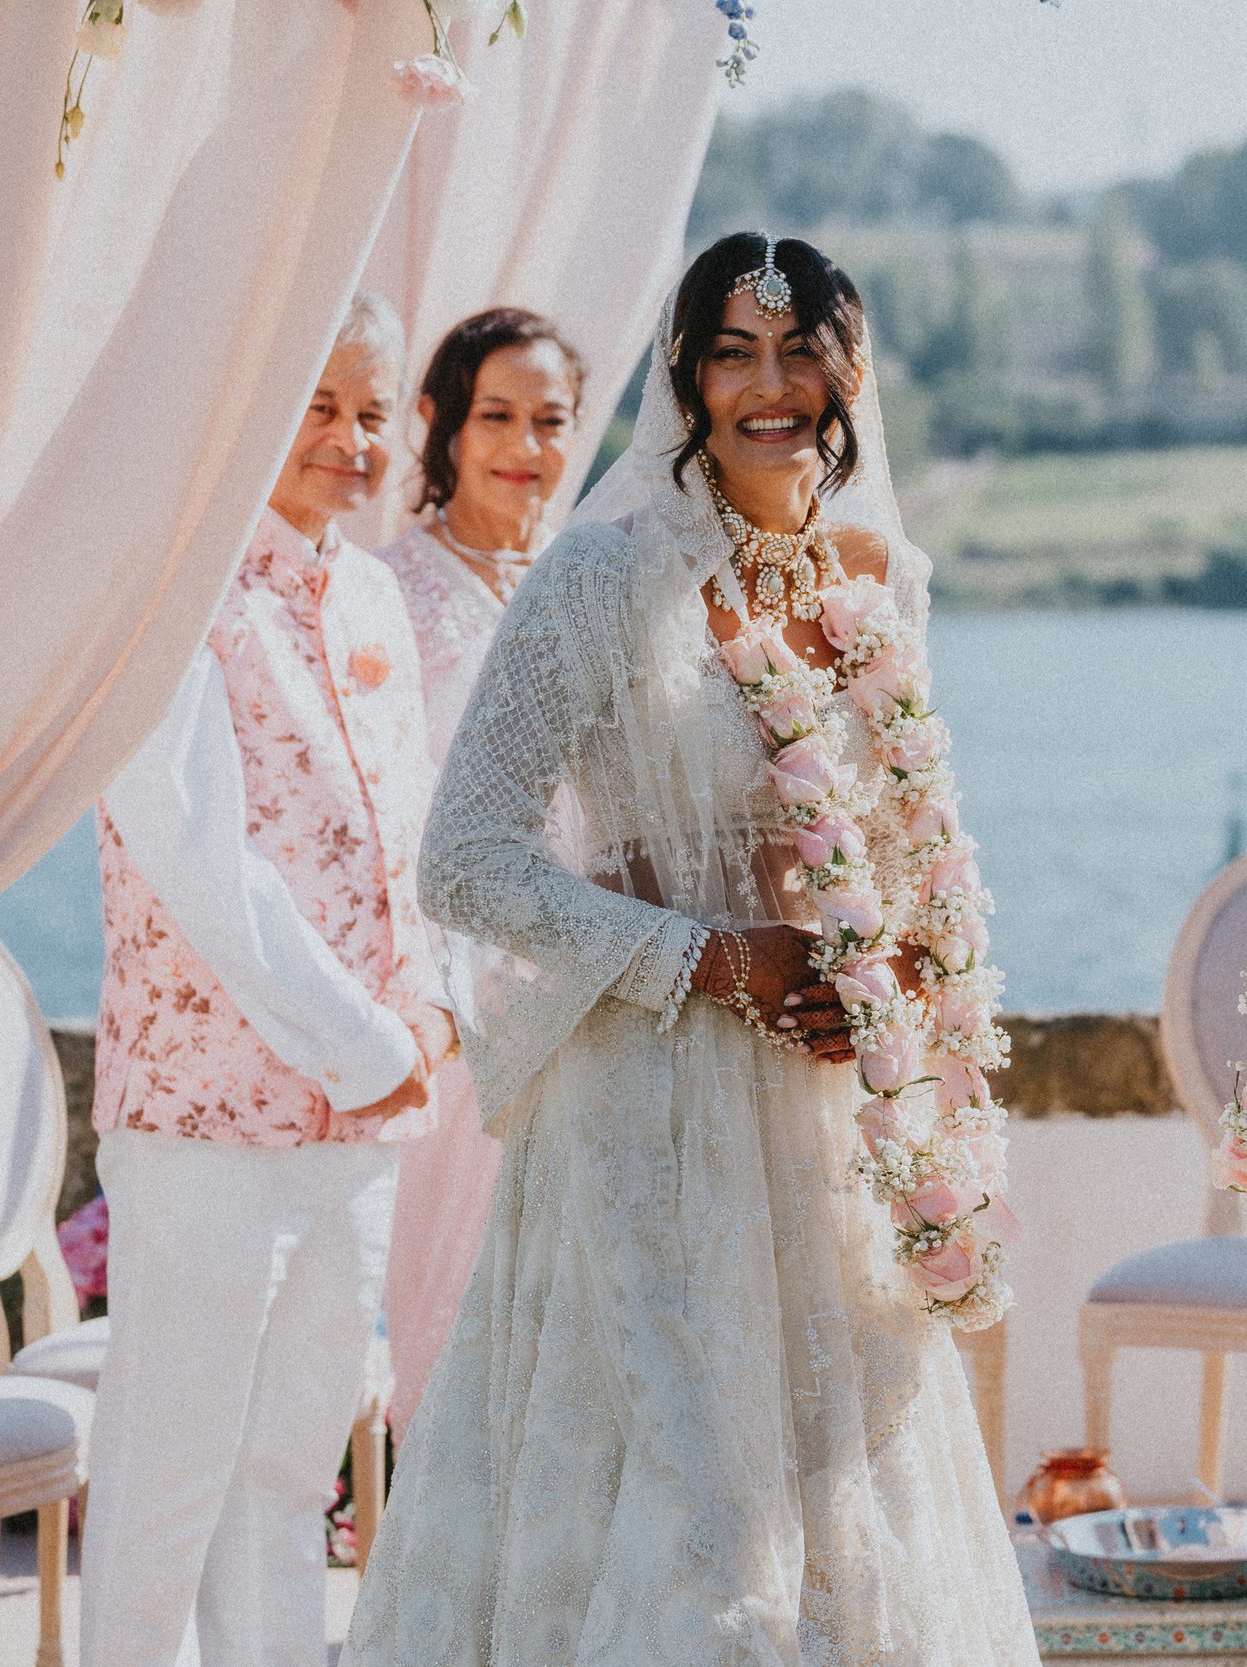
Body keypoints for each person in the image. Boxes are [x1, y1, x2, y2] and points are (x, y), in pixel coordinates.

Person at [342, 235, 1034, 1663]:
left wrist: (890, 969)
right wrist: (712, 959)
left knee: (839, 1525)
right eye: (733, 350)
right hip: (645, 1128)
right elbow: (465, 859)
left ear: (851, 370)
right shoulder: (601, 580)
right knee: (696, 1536)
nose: (769, 386)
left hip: (833, 1138)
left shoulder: (881, 580)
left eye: (798, 350)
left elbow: (899, 848)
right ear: (687, 377)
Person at [84, 291, 456, 1667]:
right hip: (208, 1117)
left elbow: (404, 833)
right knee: (168, 1471)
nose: (354, 441)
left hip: (361, 1122)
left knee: (292, 1474)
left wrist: (430, 1014)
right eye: (319, 405)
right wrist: (370, 1040)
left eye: (373, 411)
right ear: (248, 401)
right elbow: (197, 854)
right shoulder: (172, 584)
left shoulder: (366, 585)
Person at [374, 306, 586, 1439]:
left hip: (591, 1004)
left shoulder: (586, 588)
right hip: (455, 1015)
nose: (525, 445)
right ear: (441, 426)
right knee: (454, 1316)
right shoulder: (388, 599)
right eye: (496, 414)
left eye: (549, 419)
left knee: (582, 1332)